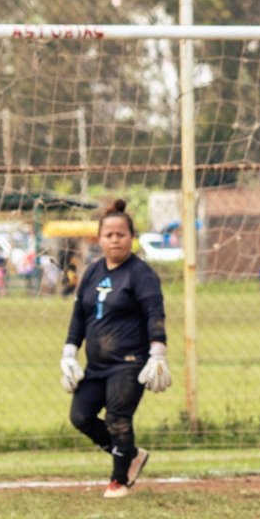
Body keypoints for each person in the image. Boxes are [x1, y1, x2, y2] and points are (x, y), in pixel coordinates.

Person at [61, 200, 171, 500]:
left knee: (117, 418)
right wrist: (69, 352)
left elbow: (154, 313)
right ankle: (131, 455)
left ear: (131, 237)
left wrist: (158, 352)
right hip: (97, 365)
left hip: (129, 363)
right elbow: (79, 316)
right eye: (108, 235)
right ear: (99, 239)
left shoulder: (141, 273)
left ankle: (119, 479)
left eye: (120, 234)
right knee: (81, 416)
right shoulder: (93, 272)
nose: (114, 240)